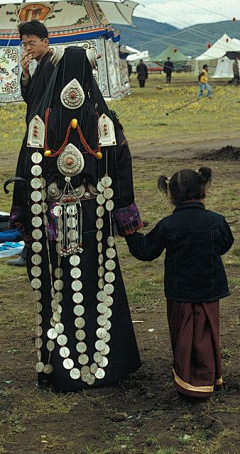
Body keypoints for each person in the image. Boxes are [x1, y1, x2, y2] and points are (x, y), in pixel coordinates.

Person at [8, 46, 142, 392]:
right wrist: (126, 220)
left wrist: (26, 218)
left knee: (59, 284)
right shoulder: (104, 119)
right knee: (99, 281)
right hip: (92, 216)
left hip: (52, 219)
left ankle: (59, 368)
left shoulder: (43, 117)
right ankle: (108, 366)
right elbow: (120, 169)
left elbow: (26, 169)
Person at [126, 167, 234, 399]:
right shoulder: (216, 221)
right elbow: (226, 244)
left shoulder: (168, 225)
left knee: (184, 336)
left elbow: (146, 251)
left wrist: (131, 232)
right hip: (209, 289)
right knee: (207, 334)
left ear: (171, 196)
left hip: (180, 293)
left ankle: (187, 381)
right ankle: (209, 378)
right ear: (203, 189)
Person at [7, 21, 55, 266]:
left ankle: (34, 247)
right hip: (34, 134)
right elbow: (32, 100)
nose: (28, 48)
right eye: (24, 44)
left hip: (44, 139)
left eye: (32, 43)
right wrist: (26, 75)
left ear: (45, 42)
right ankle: (31, 246)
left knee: (34, 188)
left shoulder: (54, 66)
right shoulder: (41, 66)